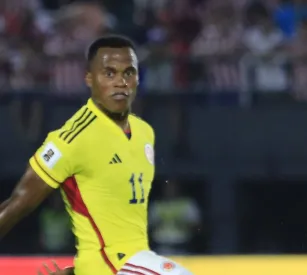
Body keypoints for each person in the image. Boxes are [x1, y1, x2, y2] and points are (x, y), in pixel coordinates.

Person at [0, 35, 193, 275]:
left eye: (128, 73)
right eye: (109, 73)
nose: (120, 82)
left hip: (133, 261)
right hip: (114, 266)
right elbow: (17, 204)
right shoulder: (72, 138)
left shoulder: (144, 132)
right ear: (90, 79)